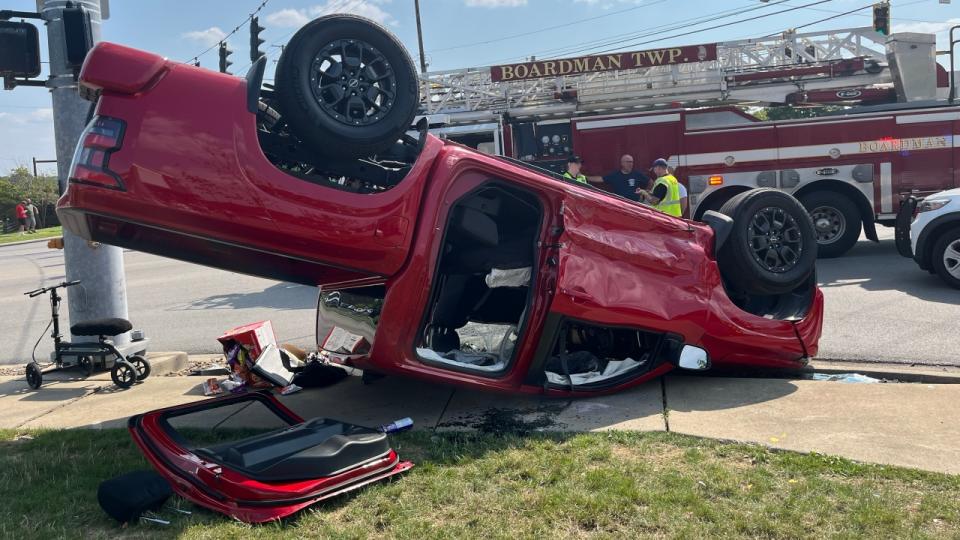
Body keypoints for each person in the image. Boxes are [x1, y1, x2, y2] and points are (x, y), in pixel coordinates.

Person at [585, 154, 649, 202]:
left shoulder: (637, 174)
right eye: (628, 162)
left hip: (636, 204)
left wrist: (645, 193)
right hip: (620, 204)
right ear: (622, 163)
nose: (630, 164)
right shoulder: (615, 175)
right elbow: (600, 179)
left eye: (631, 162)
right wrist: (585, 177)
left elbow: (650, 182)